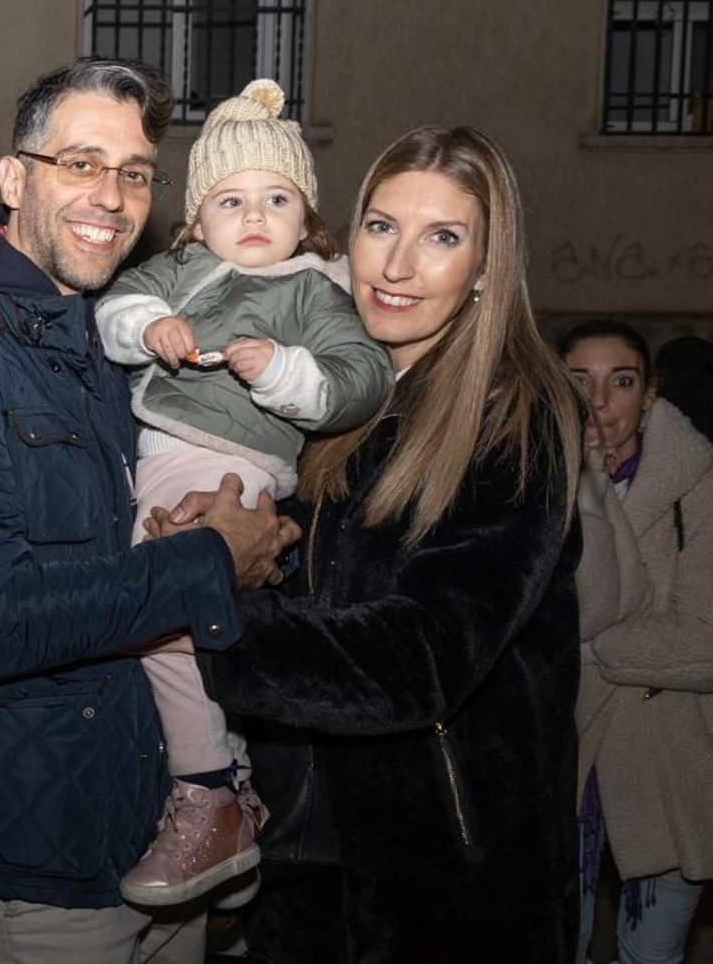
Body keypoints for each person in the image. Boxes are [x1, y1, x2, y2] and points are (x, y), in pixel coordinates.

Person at [0, 57, 296, 963]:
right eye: (81, 163)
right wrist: (208, 560)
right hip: (38, 856)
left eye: (135, 172)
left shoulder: (118, 345)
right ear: (15, 177)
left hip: (162, 829)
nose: (113, 195)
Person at [158, 126, 583, 962]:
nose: (396, 266)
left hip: (453, 886)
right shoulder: (335, 399)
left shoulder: (515, 417)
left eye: (443, 237)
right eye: (382, 226)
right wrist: (234, 534)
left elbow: (417, 659)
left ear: (487, 269)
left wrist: (211, 605)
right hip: (310, 871)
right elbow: (314, 591)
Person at [95, 78, 390, 907]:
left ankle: (209, 795)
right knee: (175, 635)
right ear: (197, 219)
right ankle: (232, 805)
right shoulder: (184, 268)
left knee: (161, 619)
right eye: (230, 200)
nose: (253, 216)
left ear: (307, 215)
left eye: (275, 197)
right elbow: (112, 306)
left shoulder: (313, 289)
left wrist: (287, 372)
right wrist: (146, 327)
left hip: (229, 472)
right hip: (157, 463)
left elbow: (361, 380)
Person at [564, 320, 711, 964]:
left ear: (649, 395)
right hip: (561, 756)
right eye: (580, 381)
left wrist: (591, 654)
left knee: (652, 953)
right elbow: (593, 608)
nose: (600, 402)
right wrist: (590, 488)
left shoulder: (698, 484)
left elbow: (706, 639)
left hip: (670, 757)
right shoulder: (525, 483)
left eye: (620, 382)